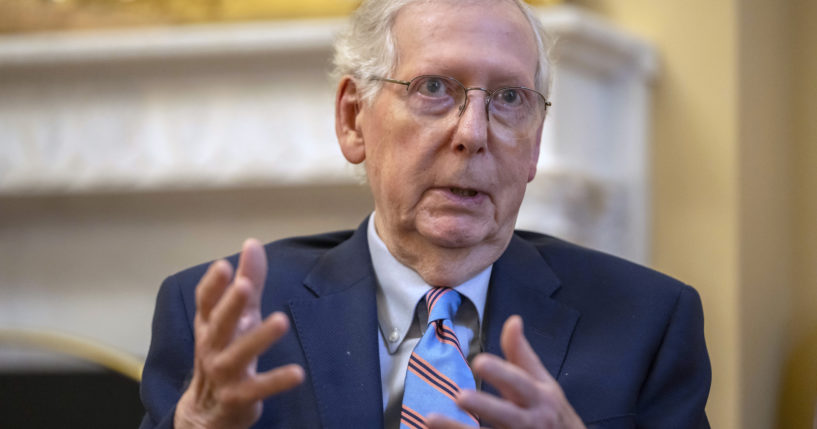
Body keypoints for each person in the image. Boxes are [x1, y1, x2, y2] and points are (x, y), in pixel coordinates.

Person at [139, 0, 711, 428]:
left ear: (535, 145)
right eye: (434, 87)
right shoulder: (223, 320)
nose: (473, 133)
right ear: (353, 118)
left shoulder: (647, 324)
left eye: (510, 98)